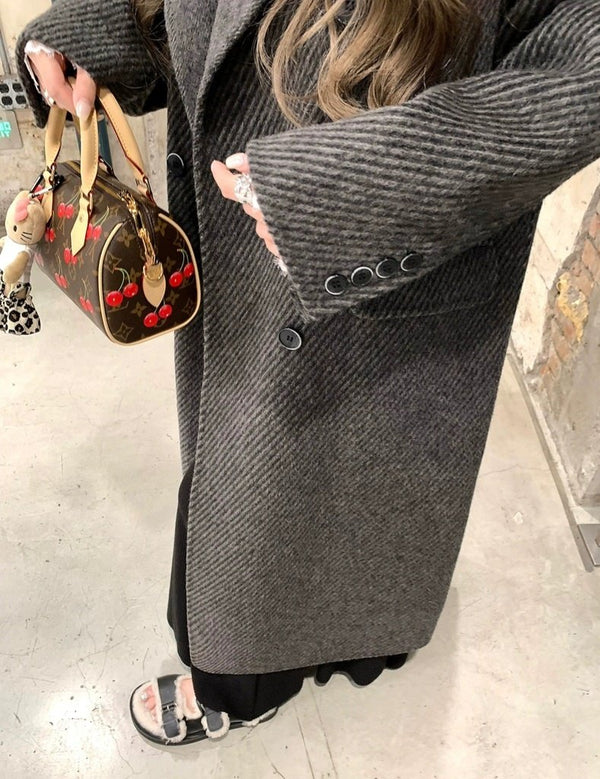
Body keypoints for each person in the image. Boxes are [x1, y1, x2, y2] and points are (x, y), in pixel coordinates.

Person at [16, 0, 600, 746]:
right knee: (249, 487)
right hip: (241, 254)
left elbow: (583, 65)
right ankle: (273, 653)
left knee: (351, 492)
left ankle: (251, 682)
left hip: (398, 255)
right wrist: (100, 35)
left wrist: (363, 188)